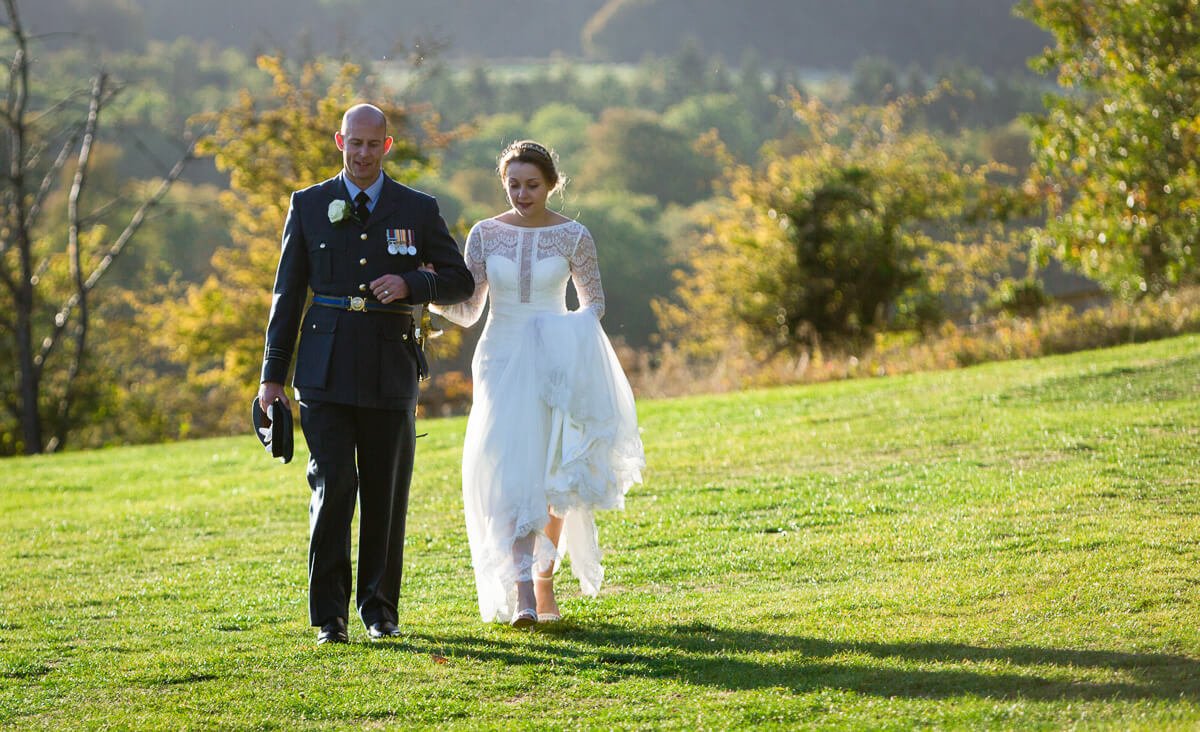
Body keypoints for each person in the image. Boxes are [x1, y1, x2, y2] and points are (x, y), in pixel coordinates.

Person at [257, 103, 473, 645]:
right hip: (324, 370)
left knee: (385, 492)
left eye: (373, 144)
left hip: (389, 367)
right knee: (333, 488)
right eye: (354, 143)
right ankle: (328, 618)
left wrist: (411, 286)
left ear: (387, 146)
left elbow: (459, 280)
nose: (362, 153)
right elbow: (287, 294)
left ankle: (379, 612)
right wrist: (271, 377)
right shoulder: (308, 204)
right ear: (339, 141)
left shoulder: (417, 208)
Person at [430, 140, 644, 627]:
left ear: (551, 184)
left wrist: (563, 337)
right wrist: (431, 295)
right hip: (500, 359)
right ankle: (522, 593)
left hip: (554, 361)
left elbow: (595, 304)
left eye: (531, 185)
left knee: (551, 476)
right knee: (511, 474)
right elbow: (469, 311)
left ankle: (544, 586)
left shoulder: (574, 236)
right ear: (503, 184)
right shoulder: (484, 234)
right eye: (513, 185)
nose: (522, 194)